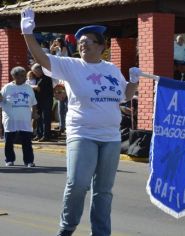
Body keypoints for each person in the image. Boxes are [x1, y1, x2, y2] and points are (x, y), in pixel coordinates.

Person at [21, 8, 140, 236]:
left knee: (103, 191)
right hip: (82, 134)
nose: (82, 45)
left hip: (111, 138)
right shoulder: (71, 66)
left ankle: (101, 233)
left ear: (101, 46)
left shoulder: (111, 69)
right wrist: (28, 34)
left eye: (87, 41)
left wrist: (133, 81)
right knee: (77, 185)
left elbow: (124, 95)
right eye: (80, 42)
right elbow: (42, 59)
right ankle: (66, 230)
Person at [0, 66, 38, 167]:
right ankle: (9, 159)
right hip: (10, 119)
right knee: (9, 142)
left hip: (25, 119)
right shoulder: (7, 87)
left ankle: (29, 161)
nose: (24, 78)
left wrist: (34, 113)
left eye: (24, 75)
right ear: (14, 76)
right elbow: (1, 100)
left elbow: (34, 102)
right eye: (21, 76)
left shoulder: (28, 87)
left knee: (27, 142)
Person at [31, 63, 53, 142]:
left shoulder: (46, 77)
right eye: (33, 72)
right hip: (39, 101)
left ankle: (46, 135)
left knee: (45, 118)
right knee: (38, 118)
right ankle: (39, 134)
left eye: (35, 71)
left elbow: (38, 88)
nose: (34, 73)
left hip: (46, 100)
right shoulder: (37, 78)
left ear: (40, 70)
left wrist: (27, 86)